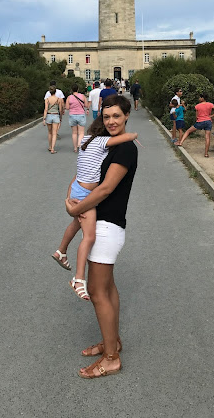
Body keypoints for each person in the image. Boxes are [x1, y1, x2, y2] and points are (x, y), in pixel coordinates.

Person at [65, 94, 138, 378]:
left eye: (117, 116)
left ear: (127, 116)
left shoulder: (125, 150)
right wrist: (71, 200)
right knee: (108, 289)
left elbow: (105, 189)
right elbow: (86, 173)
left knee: (97, 292)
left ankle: (111, 358)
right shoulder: (108, 145)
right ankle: (113, 342)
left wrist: (76, 209)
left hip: (106, 227)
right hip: (105, 224)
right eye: (106, 117)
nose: (111, 122)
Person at [52, 118, 137, 301]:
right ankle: (79, 278)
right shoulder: (101, 141)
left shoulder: (85, 140)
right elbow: (124, 138)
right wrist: (133, 135)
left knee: (76, 224)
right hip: (85, 195)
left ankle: (61, 251)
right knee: (89, 237)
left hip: (77, 188)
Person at [65, 84, 89, 152]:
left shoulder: (69, 97)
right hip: (81, 114)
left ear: (71, 90)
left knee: (74, 133)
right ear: (78, 89)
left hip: (72, 115)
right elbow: (86, 105)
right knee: (81, 132)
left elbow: (67, 107)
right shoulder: (82, 96)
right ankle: (79, 144)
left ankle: (75, 148)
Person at [43, 86, 64, 153]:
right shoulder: (59, 99)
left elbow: (46, 109)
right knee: (54, 133)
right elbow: (60, 109)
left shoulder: (47, 99)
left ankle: (49, 146)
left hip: (49, 115)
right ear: (55, 92)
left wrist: (44, 118)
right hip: (56, 115)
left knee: (49, 133)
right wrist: (60, 117)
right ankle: (53, 148)